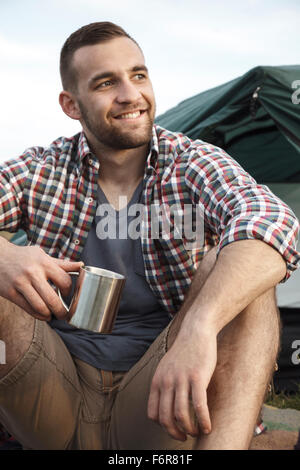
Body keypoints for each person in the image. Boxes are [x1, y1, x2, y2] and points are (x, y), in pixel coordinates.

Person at [0, 22, 299, 451]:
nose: (129, 94)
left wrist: (199, 327)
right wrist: (5, 255)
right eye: (106, 83)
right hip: (51, 393)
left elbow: (272, 220)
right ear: (72, 104)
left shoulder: (190, 161)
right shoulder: (42, 169)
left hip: (159, 397)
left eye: (138, 75)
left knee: (238, 266)